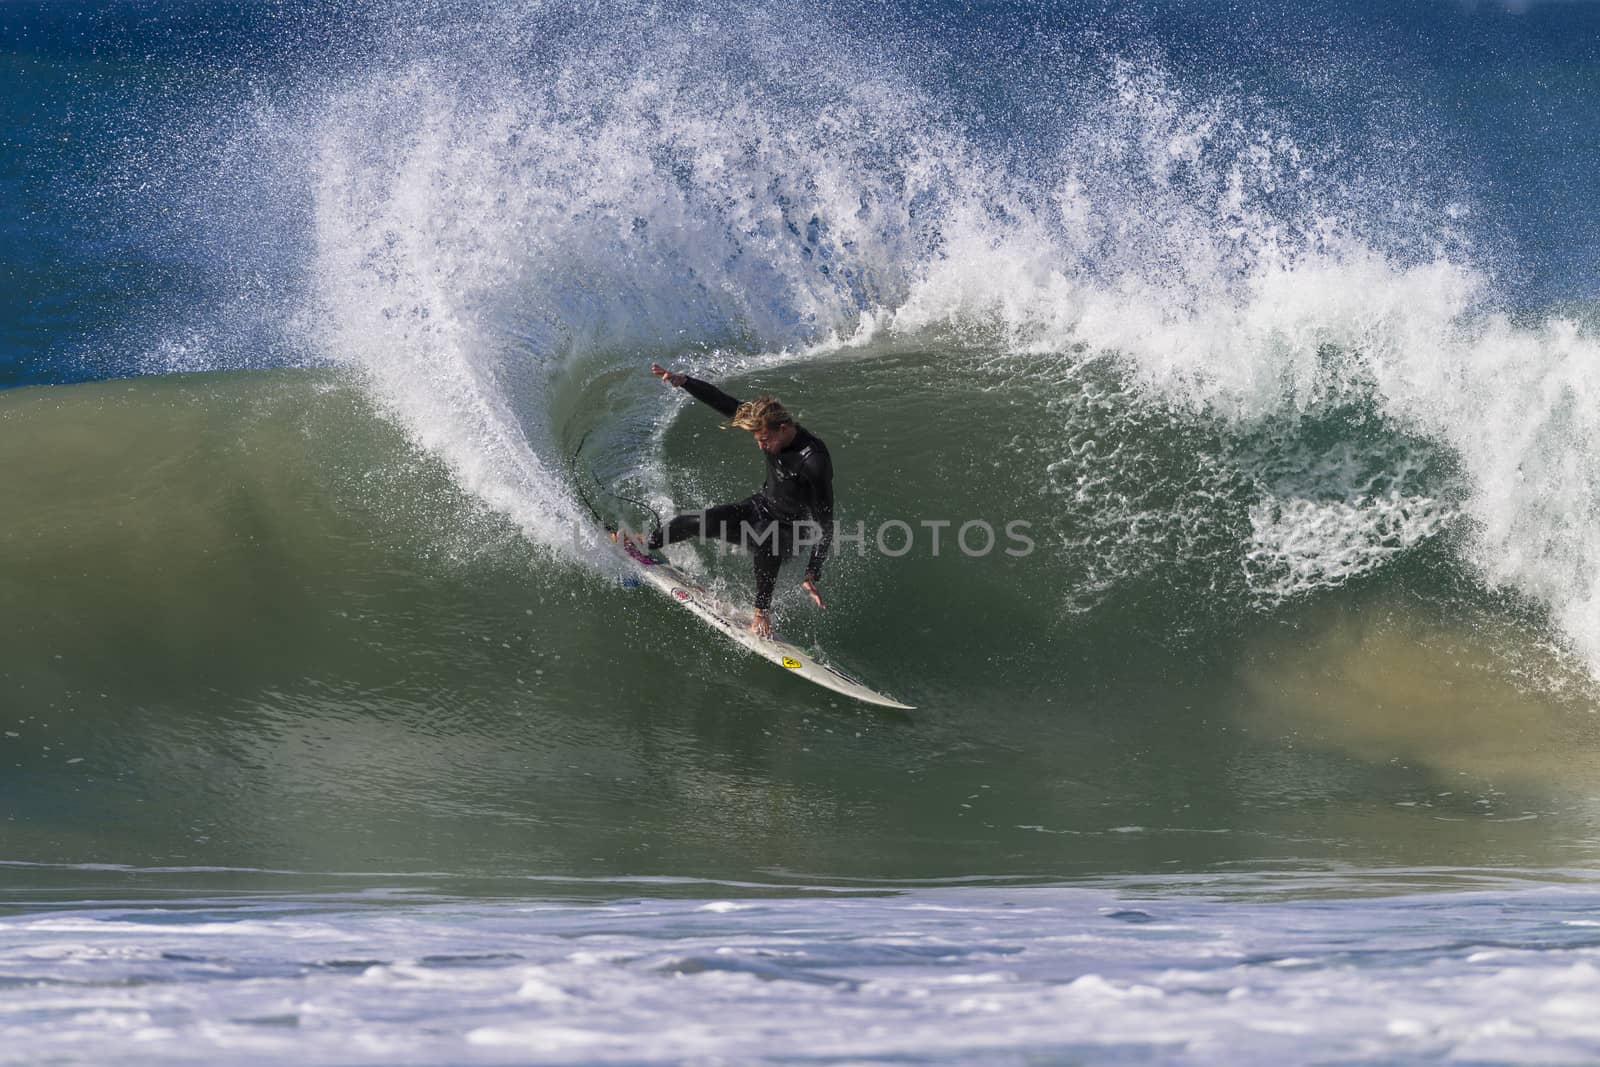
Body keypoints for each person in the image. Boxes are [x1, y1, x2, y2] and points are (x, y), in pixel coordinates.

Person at [634, 362, 834, 638]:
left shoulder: (813, 461)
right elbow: (725, 403)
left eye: (764, 440)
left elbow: (826, 521)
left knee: (767, 539)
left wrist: (813, 572)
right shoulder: (768, 424)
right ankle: (644, 544)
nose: (760, 446)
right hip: (761, 506)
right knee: (698, 521)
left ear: (784, 428)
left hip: (794, 530)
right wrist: (685, 381)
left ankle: (761, 613)